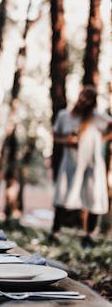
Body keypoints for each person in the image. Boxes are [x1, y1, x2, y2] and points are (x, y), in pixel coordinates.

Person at [50, 86, 112, 247]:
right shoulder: (64, 115)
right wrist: (67, 141)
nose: (84, 100)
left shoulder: (96, 117)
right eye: (83, 96)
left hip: (91, 163)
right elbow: (55, 135)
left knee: (93, 197)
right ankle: (55, 233)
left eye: (88, 98)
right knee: (62, 196)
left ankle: (89, 237)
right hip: (70, 162)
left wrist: (102, 139)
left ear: (92, 102)